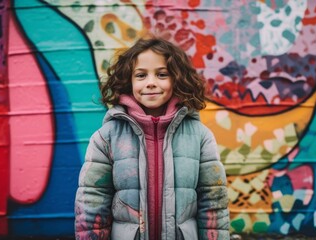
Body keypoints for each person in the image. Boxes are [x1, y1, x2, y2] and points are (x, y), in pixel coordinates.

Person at [74, 36, 230, 240]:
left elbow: (213, 203)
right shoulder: (106, 138)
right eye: (140, 75)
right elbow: (92, 203)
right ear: (128, 81)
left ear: (177, 78)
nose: (150, 83)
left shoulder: (200, 136)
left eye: (162, 74)